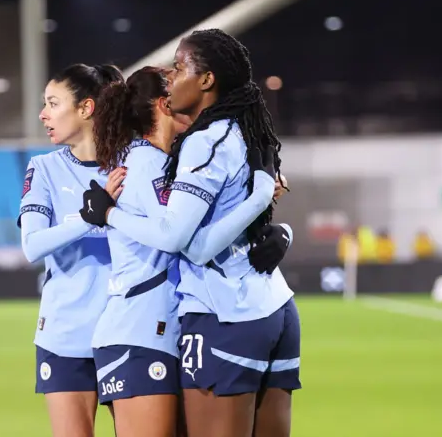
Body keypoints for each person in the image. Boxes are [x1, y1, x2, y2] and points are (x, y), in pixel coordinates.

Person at [79, 30, 300, 437]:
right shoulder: (146, 162)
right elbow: (183, 238)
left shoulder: (190, 151)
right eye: (174, 72)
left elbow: (195, 233)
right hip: (143, 331)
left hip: (194, 322)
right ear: (164, 104)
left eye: (181, 68)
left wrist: (273, 226)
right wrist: (106, 214)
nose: (178, 77)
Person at [17, 63, 124, 437]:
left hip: (131, 330)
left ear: (85, 108)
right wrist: (89, 217)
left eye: (53, 103)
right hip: (65, 335)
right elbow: (32, 245)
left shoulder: (135, 165)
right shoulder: (43, 168)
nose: (43, 114)